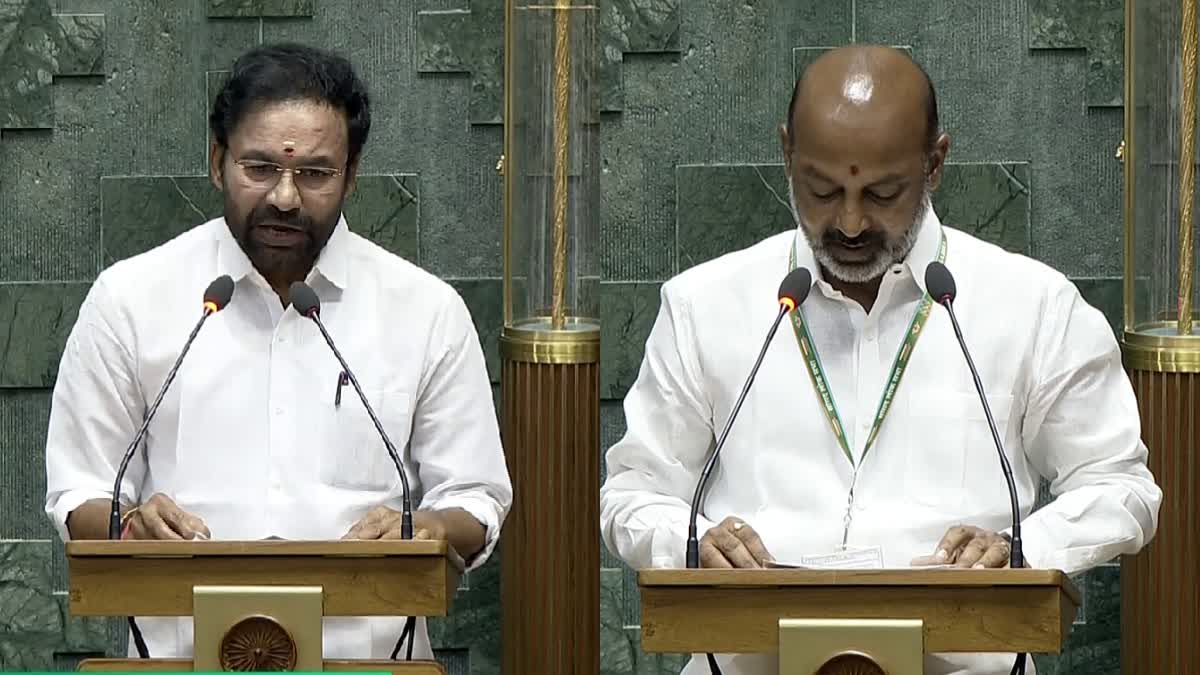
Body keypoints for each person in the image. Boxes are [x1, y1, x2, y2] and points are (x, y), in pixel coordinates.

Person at [599, 45, 1161, 675]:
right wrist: (694, 545)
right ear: (786, 153)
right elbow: (633, 491)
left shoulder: (1032, 305)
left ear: (935, 164)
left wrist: (1022, 550)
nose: (849, 220)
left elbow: (1121, 487)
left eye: (883, 192)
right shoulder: (705, 304)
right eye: (821, 188)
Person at [43, 42, 512, 661]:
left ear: (352, 174)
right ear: (218, 163)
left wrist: (432, 527)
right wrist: (129, 522)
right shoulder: (131, 299)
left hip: (369, 667)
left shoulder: (424, 310)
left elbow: (476, 496)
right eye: (259, 169)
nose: (285, 197)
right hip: (182, 664)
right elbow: (78, 489)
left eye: (314, 173)